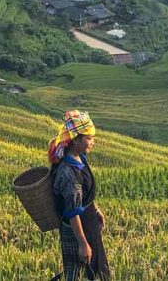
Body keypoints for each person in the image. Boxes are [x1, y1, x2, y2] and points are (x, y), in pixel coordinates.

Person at [49, 110, 111, 280]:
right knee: (75, 273)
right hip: (77, 229)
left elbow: (84, 194)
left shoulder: (80, 158)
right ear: (76, 141)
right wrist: (83, 244)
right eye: (89, 138)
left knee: (98, 271)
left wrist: (95, 209)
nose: (93, 142)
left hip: (88, 222)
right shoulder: (68, 173)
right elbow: (72, 211)